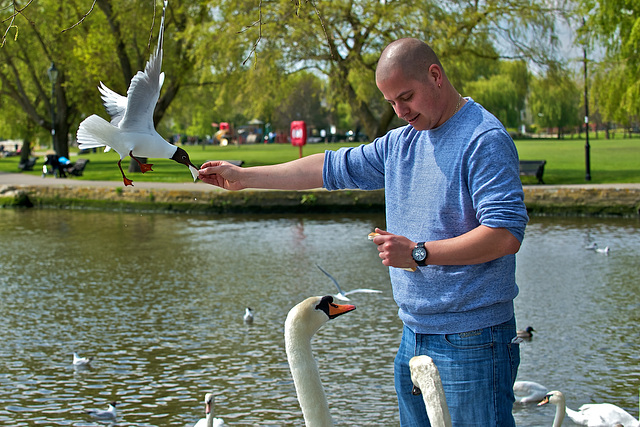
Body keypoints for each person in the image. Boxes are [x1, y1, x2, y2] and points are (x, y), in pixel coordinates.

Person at [199, 38, 529, 426]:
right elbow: (328, 168)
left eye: (406, 97)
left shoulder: (483, 139)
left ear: (435, 76)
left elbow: (505, 233)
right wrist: (245, 178)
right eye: (391, 102)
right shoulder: (403, 142)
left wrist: (419, 252)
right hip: (413, 334)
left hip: (474, 340)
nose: (400, 111)